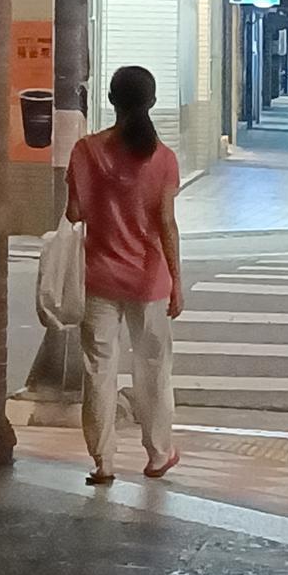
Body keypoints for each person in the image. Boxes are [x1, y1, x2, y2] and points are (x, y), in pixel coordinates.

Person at [66, 64, 183, 485]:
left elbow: (74, 213)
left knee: (99, 369)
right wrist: (177, 281)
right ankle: (158, 453)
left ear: (112, 100)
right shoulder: (163, 159)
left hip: (99, 276)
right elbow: (166, 224)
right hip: (149, 279)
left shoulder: (86, 151)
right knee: (153, 368)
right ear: (152, 102)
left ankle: (103, 461)